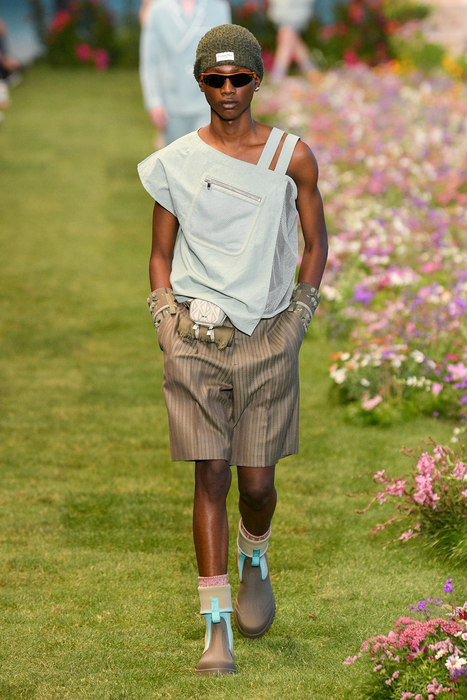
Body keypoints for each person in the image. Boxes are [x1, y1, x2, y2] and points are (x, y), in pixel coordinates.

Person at [138, 24, 328, 675]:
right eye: (215, 79)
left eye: (238, 78)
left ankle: (255, 551)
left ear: (256, 81)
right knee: (211, 474)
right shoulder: (177, 162)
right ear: (200, 83)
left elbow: (314, 242)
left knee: (257, 485)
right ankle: (214, 627)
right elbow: (160, 253)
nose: (227, 89)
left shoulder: (290, 157)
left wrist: (300, 313)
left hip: (268, 337)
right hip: (196, 338)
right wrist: (165, 318)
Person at [139, 0, 231, 146]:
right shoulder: (158, 10)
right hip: (172, 103)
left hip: (208, 100)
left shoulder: (218, 8)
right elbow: (150, 62)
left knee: (206, 154)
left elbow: (227, 58)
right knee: (175, 155)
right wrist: (154, 101)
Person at [267, 0, 317, 80]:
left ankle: (279, 70)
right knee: (290, 37)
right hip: (285, 8)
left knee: (287, 34)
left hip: (293, 8)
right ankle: (310, 68)